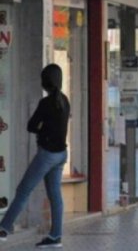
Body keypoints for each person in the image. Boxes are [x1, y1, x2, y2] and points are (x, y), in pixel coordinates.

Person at [0, 64, 70, 248]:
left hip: (47, 155)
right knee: (55, 196)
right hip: (61, 154)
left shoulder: (46, 103)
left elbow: (31, 125)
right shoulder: (64, 101)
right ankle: (56, 236)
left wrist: (42, 130)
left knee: (24, 189)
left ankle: (4, 228)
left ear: (45, 82)